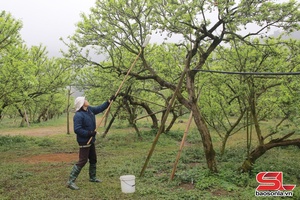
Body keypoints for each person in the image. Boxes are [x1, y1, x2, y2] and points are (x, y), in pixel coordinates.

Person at [67, 95, 115, 190]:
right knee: (83, 160)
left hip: (91, 140)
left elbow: (99, 108)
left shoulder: (89, 110)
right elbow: (77, 130)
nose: (87, 100)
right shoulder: (78, 115)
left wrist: (108, 102)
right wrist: (89, 133)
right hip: (84, 141)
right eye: (85, 100)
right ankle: (70, 181)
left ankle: (92, 178)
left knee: (93, 159)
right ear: (81, 104)